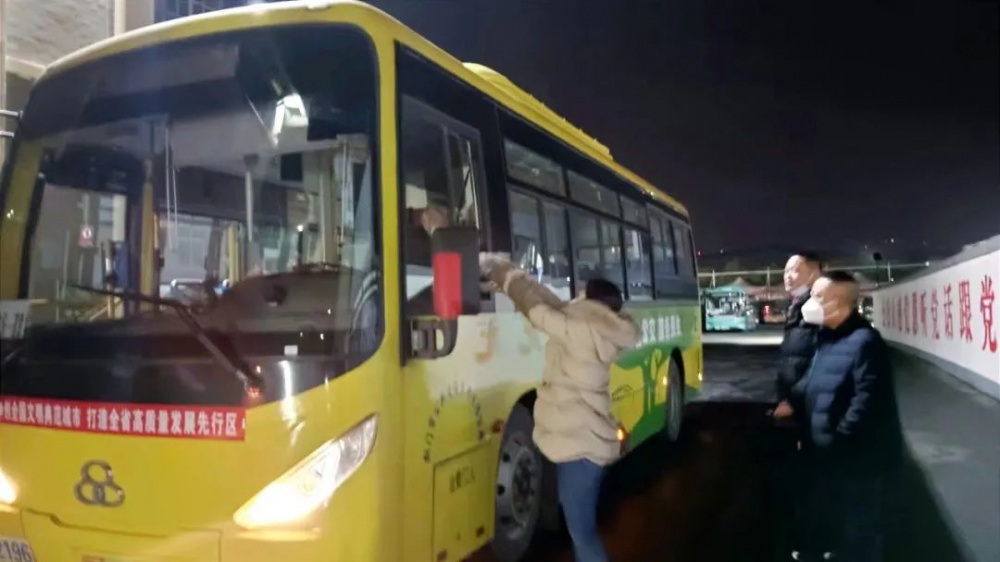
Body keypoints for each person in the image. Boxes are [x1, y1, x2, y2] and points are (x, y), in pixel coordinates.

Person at [480, 255, 639, 562]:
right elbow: (554, 305)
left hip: (580, 449)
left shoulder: (579, 329)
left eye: (583, 291)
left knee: (582, 533)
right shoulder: (594, 327)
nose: (577, 293)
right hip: (587, 446)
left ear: (589, 301)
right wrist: (515, 278)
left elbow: (538, 311)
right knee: (581, 527)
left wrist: (506, 277)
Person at [790, 270, 902, 561]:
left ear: (837, 302)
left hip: (856, 458)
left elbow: (865, 403)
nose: (809, 303)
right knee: (834, 518)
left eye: (817, 296)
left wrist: (838, 439)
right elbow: (814, 382)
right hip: (827, 453)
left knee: (860, 526)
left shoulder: (865, 342)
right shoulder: (827, 338)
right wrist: (793, 404)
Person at [771, 252, 823, 559]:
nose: (787, 275)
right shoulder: (799, 307)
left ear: (813, 272)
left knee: (813, 482)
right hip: (799, 410)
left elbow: (821, 362)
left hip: (811, 410)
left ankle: (815, 547)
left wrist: (793, 399)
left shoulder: (817, 309)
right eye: (785, 270)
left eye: (794, 270)